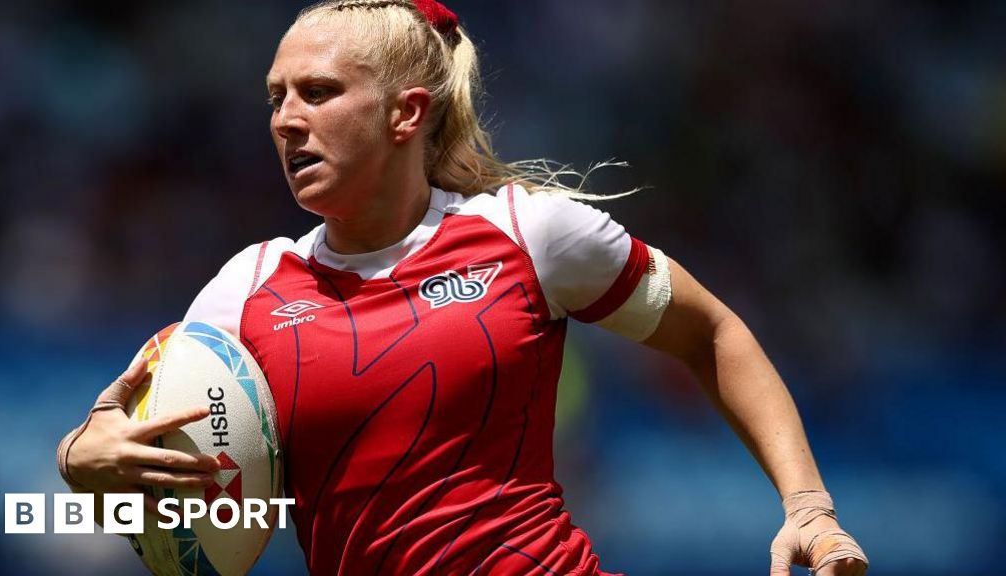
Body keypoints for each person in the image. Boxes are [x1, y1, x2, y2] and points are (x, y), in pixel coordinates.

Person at [56, 1, 869, 574]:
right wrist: (80, 466)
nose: (285, 119)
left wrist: (808, 505)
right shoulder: (248, 288)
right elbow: (165, 494)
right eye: (276, 98)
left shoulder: (529, 234)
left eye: (318, 92)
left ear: (406, 114)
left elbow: (711, 333)